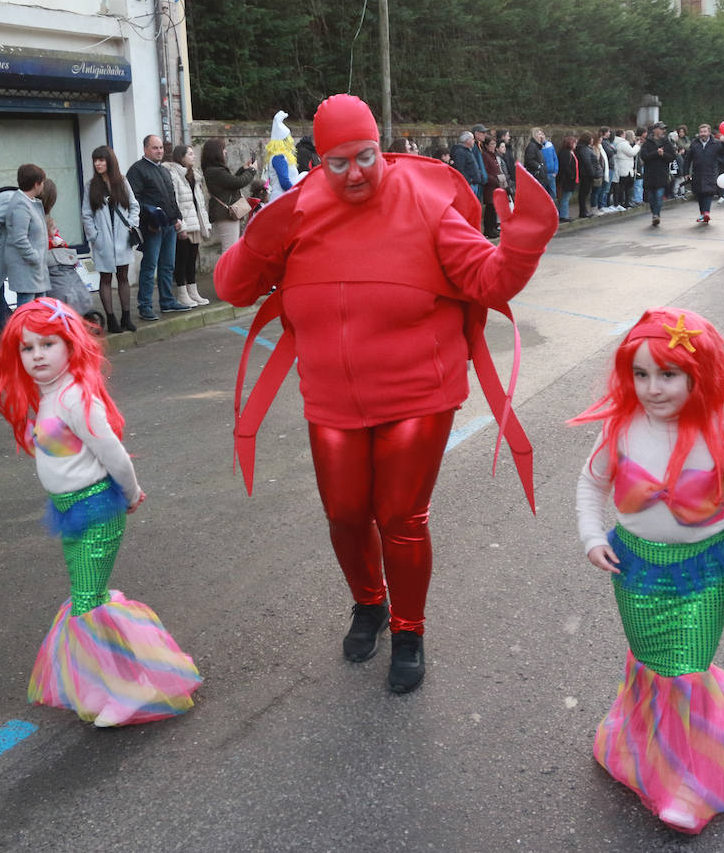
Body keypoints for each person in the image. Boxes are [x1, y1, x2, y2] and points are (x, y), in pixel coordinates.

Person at [214, 94, 558, 694]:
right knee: (345, 515)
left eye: (366, 157)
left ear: (382, 148)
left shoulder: (424, 203)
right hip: (330, 398)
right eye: (339, 162)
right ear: (318, 161)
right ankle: (368, 604)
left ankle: (408, 628)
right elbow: (233, 288)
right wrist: (257, 238)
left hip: (417, 394)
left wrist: (526, 235)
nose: (355, 173)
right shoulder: (299, 211)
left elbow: (489, 277)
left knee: (400, 517)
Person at [570, 307, 724, 833]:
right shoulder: (620, 428)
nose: (652, 388)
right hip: (634, 571)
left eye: (668, 374)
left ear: (698, 374)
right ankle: (643, 748)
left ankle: (688, 781)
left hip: (704, 573)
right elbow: (590, 484)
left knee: (685, 668)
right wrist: (593, 536)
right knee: (651, 662)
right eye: (640, 374)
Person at [0, 297, 201, 726]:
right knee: (89, 599)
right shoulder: (48, 395)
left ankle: (133, 689)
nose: (36, 356)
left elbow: (115, 455)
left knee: (88, 601)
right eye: (26, 348)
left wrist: (131, 494)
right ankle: (109, 683)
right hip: (69, 510)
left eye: (47, 345)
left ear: (70, 345)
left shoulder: (73, 398)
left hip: (97, 510)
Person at [0, 164, 50, 343]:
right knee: (10, 296)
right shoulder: (18, 202)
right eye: (43, 182)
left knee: (35, 302)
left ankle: (26, 337)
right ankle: (11, 338)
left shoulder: (28, 202)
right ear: (37, 184)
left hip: (27, 261)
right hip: (13, 258)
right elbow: (4, 229)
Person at [125, 135, 189, 322]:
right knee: (150, 265)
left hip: (169, 225)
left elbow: (171, 196)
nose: (159, 151)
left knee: (168, 265)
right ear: (145, 149)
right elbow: (135, 200)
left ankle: (167, 301)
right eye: (155, 148)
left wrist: (177, 217)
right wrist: (149, 220)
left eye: (161, 147)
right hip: (152, 227)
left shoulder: (163, 170)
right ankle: (145, 305)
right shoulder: (136, 171)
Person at [82, 145, 141, 335]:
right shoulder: (91, 186)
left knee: (123, 277)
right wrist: (95, 237)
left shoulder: (122, 182)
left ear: (110, 161)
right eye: (95, 160)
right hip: (103, 240)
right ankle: (111, 318)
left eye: (101, 160)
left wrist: (130, 224)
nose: (98, 163)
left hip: (122, 238)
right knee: (105, 278)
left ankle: (126, 316)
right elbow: (86, 215)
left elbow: (134, 206)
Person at [39, 179, 97, 320]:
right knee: (68, 288)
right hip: (52, 262)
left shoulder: (44, 217)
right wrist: (55, 242)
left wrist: (59, 242)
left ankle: (77, 313)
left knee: (69, 287)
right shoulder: (40, 218)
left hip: (56, 261)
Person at [164, 144, 211, 307]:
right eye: (189, 154)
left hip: (195, 223)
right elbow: (174, 200)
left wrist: (205, 222)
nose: (193, 156)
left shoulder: (194, 175)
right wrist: (180, 224)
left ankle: (193, 292)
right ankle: (182, 294)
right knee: (181, 259)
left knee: (192, 259)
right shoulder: (174, 174)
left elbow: (200, 202)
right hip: (184, 223)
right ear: (181, 157)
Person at [202, 138, 256, 256]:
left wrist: (243, 169)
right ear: (216, 152)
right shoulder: (215, 171)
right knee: (229, 249)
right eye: (223, 149)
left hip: (226, 213)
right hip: (225, 213)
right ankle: (225, 274)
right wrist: (252, 170)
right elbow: (238, 182)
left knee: (232, 248)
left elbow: (230, 182)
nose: (225, 152)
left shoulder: (214, 170)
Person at [683, 125, 724, 224]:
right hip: (697, 173)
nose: (703, 134)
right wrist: (686, 172)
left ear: (709, 132)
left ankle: (706, 213)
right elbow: (688, 159)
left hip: (711, 173)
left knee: (709, 192)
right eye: (701, 132)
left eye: (705, 131)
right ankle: (702, 213)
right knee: (700, 194)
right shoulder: (694, 144)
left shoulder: (715, 144)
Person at [639, 123, 676, 227]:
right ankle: (654, 213)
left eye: (663, 129)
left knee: (659, 196)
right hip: (650, 174)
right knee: (651, 197)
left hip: (662, 174)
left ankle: (656, 215)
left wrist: (663, 154)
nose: (662, 131)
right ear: (655, 130)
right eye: (661, 129)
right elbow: (644, 156)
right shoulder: (647, 143)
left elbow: (672, 157)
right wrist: (656, 153)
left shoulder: (666, 142)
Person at [480, 134, 506, 236]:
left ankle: (493, 228)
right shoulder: (485, 156)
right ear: (486, 145)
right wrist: (494, 179)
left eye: (494, 144)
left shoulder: (494, 155)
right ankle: (489, 229)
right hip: (490, 185)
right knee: (490, 207)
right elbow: (485, 171)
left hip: (496, 184)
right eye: (491, 144)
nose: (494, 146)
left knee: (494, 207)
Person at [450, 131, 485, 202]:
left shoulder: (467, 151)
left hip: (474, 184)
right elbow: (459, 169)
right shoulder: (460, 152)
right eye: (472, 139)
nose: (474, 141)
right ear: (466, 140)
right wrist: (469, 181)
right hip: (469, 185)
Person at [612, 130, 640, 211]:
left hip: (624, 167)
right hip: (625, 168)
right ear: (622, 135)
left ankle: (625, 202)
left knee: (624, 186)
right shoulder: (623, 144)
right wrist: (637, 145)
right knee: (625, 187)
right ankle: (624, 202)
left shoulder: (617, 143)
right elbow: (632, 152)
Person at [574, 132, 600, 220]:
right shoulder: (585, 149)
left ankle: (584, 211)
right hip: (586, 174)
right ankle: (583, 211)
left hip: (585, 173)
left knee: (584, 193)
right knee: (584, 193)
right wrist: (592, 173)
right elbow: (587, 162)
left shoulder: (584, 148)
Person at [556, 133, 579, 220]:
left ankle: (564, 214)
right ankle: (563, 215)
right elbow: (565, 166)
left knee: (566, 197)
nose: (575, 145)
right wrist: (572, 175)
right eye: (574, 143)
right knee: (564, 198)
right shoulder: (565, 153)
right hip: (566, 180)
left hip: (570, 179)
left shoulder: (571, 152)